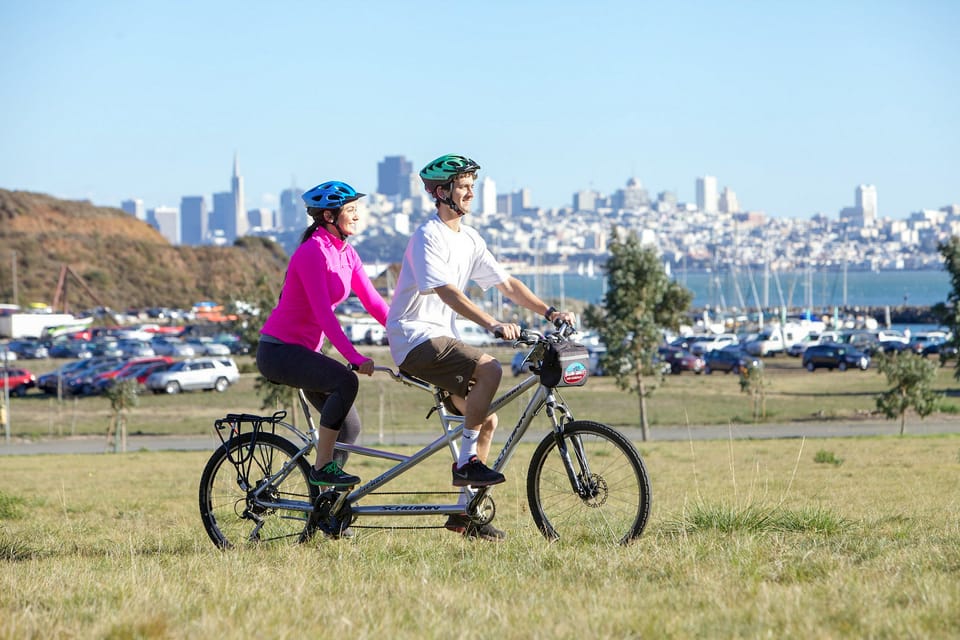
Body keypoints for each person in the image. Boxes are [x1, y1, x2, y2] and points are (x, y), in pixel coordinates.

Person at [386, 154, 575, 541]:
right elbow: (448, 293)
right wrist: (492, 324)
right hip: (415, 338)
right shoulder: (427, 237)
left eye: (472, 185)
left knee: (486, 420)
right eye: (463, 186)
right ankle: (466, 464)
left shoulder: (469, 239)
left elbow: (507, 284)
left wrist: (549, 311)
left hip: (441, 339)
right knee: (490, 368)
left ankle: (465, 513)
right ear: (442, 192)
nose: (471, 192)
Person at [257, 180, 388, 488]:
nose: (357, 216)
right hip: (279, 351)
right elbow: (323, 314)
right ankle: (322, 469)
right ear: (329, 216)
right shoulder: (312, 252)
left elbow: (374, 302)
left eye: (357, 209)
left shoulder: (347, 253)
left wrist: (404, 335)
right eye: (350, 210)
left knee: (349, 428)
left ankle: (325, 500)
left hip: (304, 353)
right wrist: (353, 358)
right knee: (346, 381)